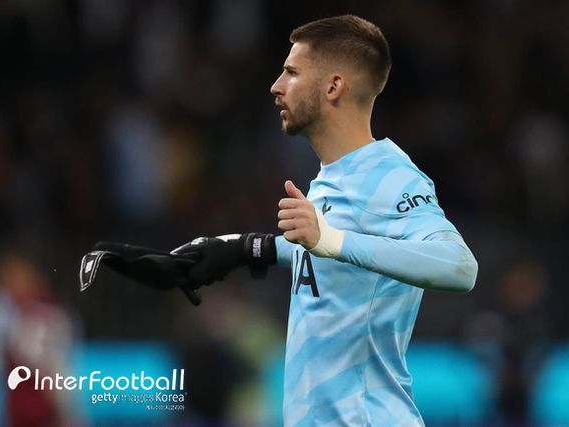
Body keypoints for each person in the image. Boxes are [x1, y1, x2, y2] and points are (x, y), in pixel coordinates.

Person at [81, 14, 478, 426]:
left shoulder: (390, 175)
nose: (276, 86)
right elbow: (325, 251)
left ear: (333, 86)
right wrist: (241, 249)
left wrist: (331, 241)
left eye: (292, 72)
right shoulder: (333, 178)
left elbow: (460, 266)